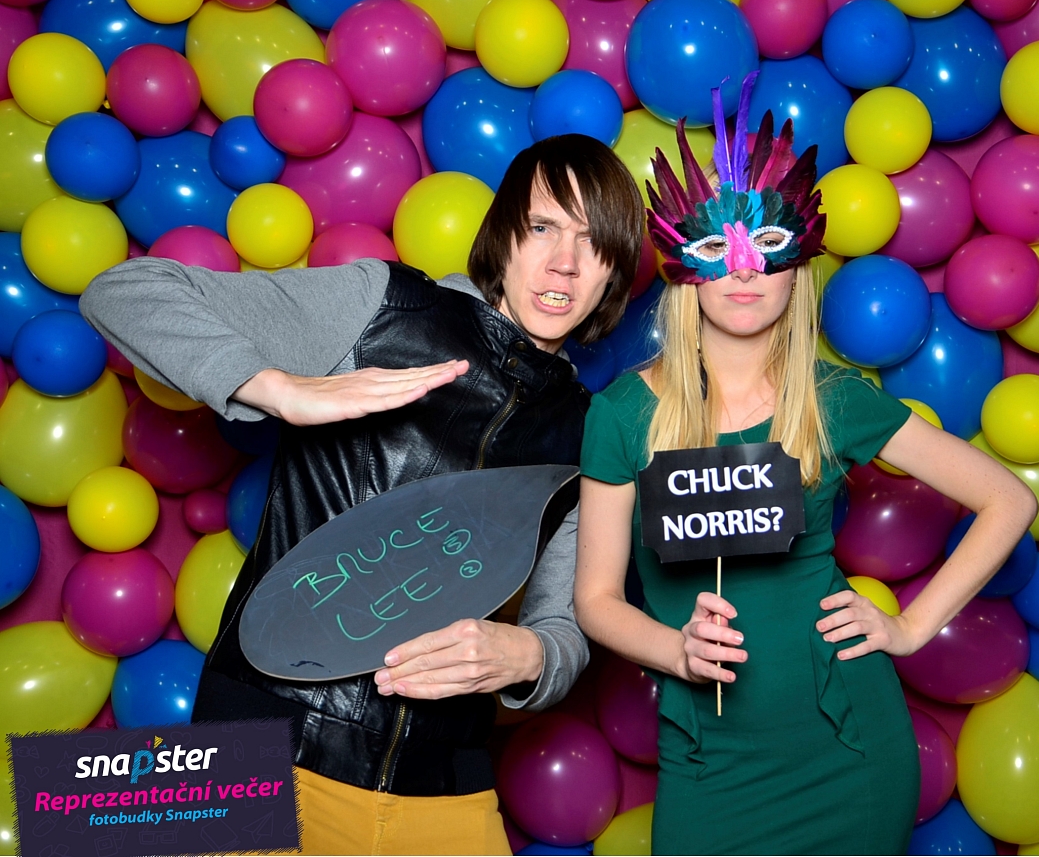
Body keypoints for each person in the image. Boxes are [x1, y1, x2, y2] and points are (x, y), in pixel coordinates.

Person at [81, 134, 646, 856]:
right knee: (71, 818)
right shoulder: (383, 310)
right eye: (543, 227)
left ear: (612, 274)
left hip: (443, 785)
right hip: (266, 749)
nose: (565, 261)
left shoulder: (589, 432)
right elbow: (121, 291)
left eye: (593, 243)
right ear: (503, 233)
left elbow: (564, 625)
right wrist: (276, 389)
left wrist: (530, 656)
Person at [572, 80, 1038, 855]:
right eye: (719, 248)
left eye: (769, 246)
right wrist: (675, 649)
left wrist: (909, 627)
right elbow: (595, 600)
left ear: (799, 268)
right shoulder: (622, 414)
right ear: (685, 268)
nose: (745, 269)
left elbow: (1008, 500)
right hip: (708, 757)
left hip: (847, 746)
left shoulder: (832, 401)